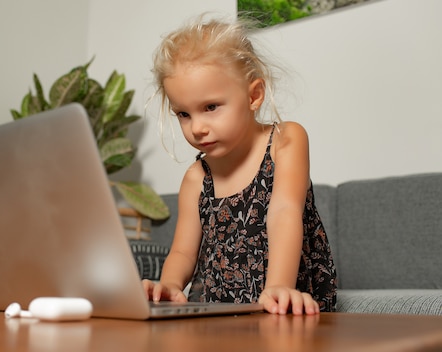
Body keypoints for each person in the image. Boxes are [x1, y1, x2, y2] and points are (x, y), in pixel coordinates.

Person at [142, 14, 337, 315]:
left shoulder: (286, 141)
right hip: (214, 314)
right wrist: (168, 285)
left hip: (285, 308)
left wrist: (279, 287)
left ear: (253, 95)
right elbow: (182, 251)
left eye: (210, 107)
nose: (196, 128)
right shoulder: (196, 178)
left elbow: (284, 212)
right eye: (183, 114)